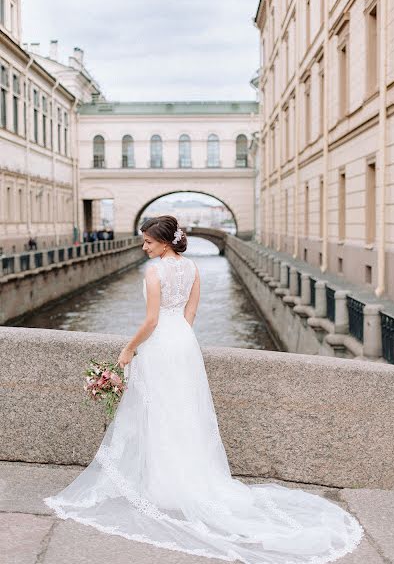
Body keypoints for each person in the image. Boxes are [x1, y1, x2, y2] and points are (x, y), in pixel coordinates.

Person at [43, 215, 363, 563]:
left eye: (148, 242)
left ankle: (162, 485)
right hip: (183, 342)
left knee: (160, 411)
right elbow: (191, 312)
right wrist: (179, 337)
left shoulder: (154, 272)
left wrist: (128, 349)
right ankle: (184, 479)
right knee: (184, 411)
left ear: (164, 242)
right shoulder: (193, 267)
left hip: (159, 342)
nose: (143, 246)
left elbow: (150, 320)